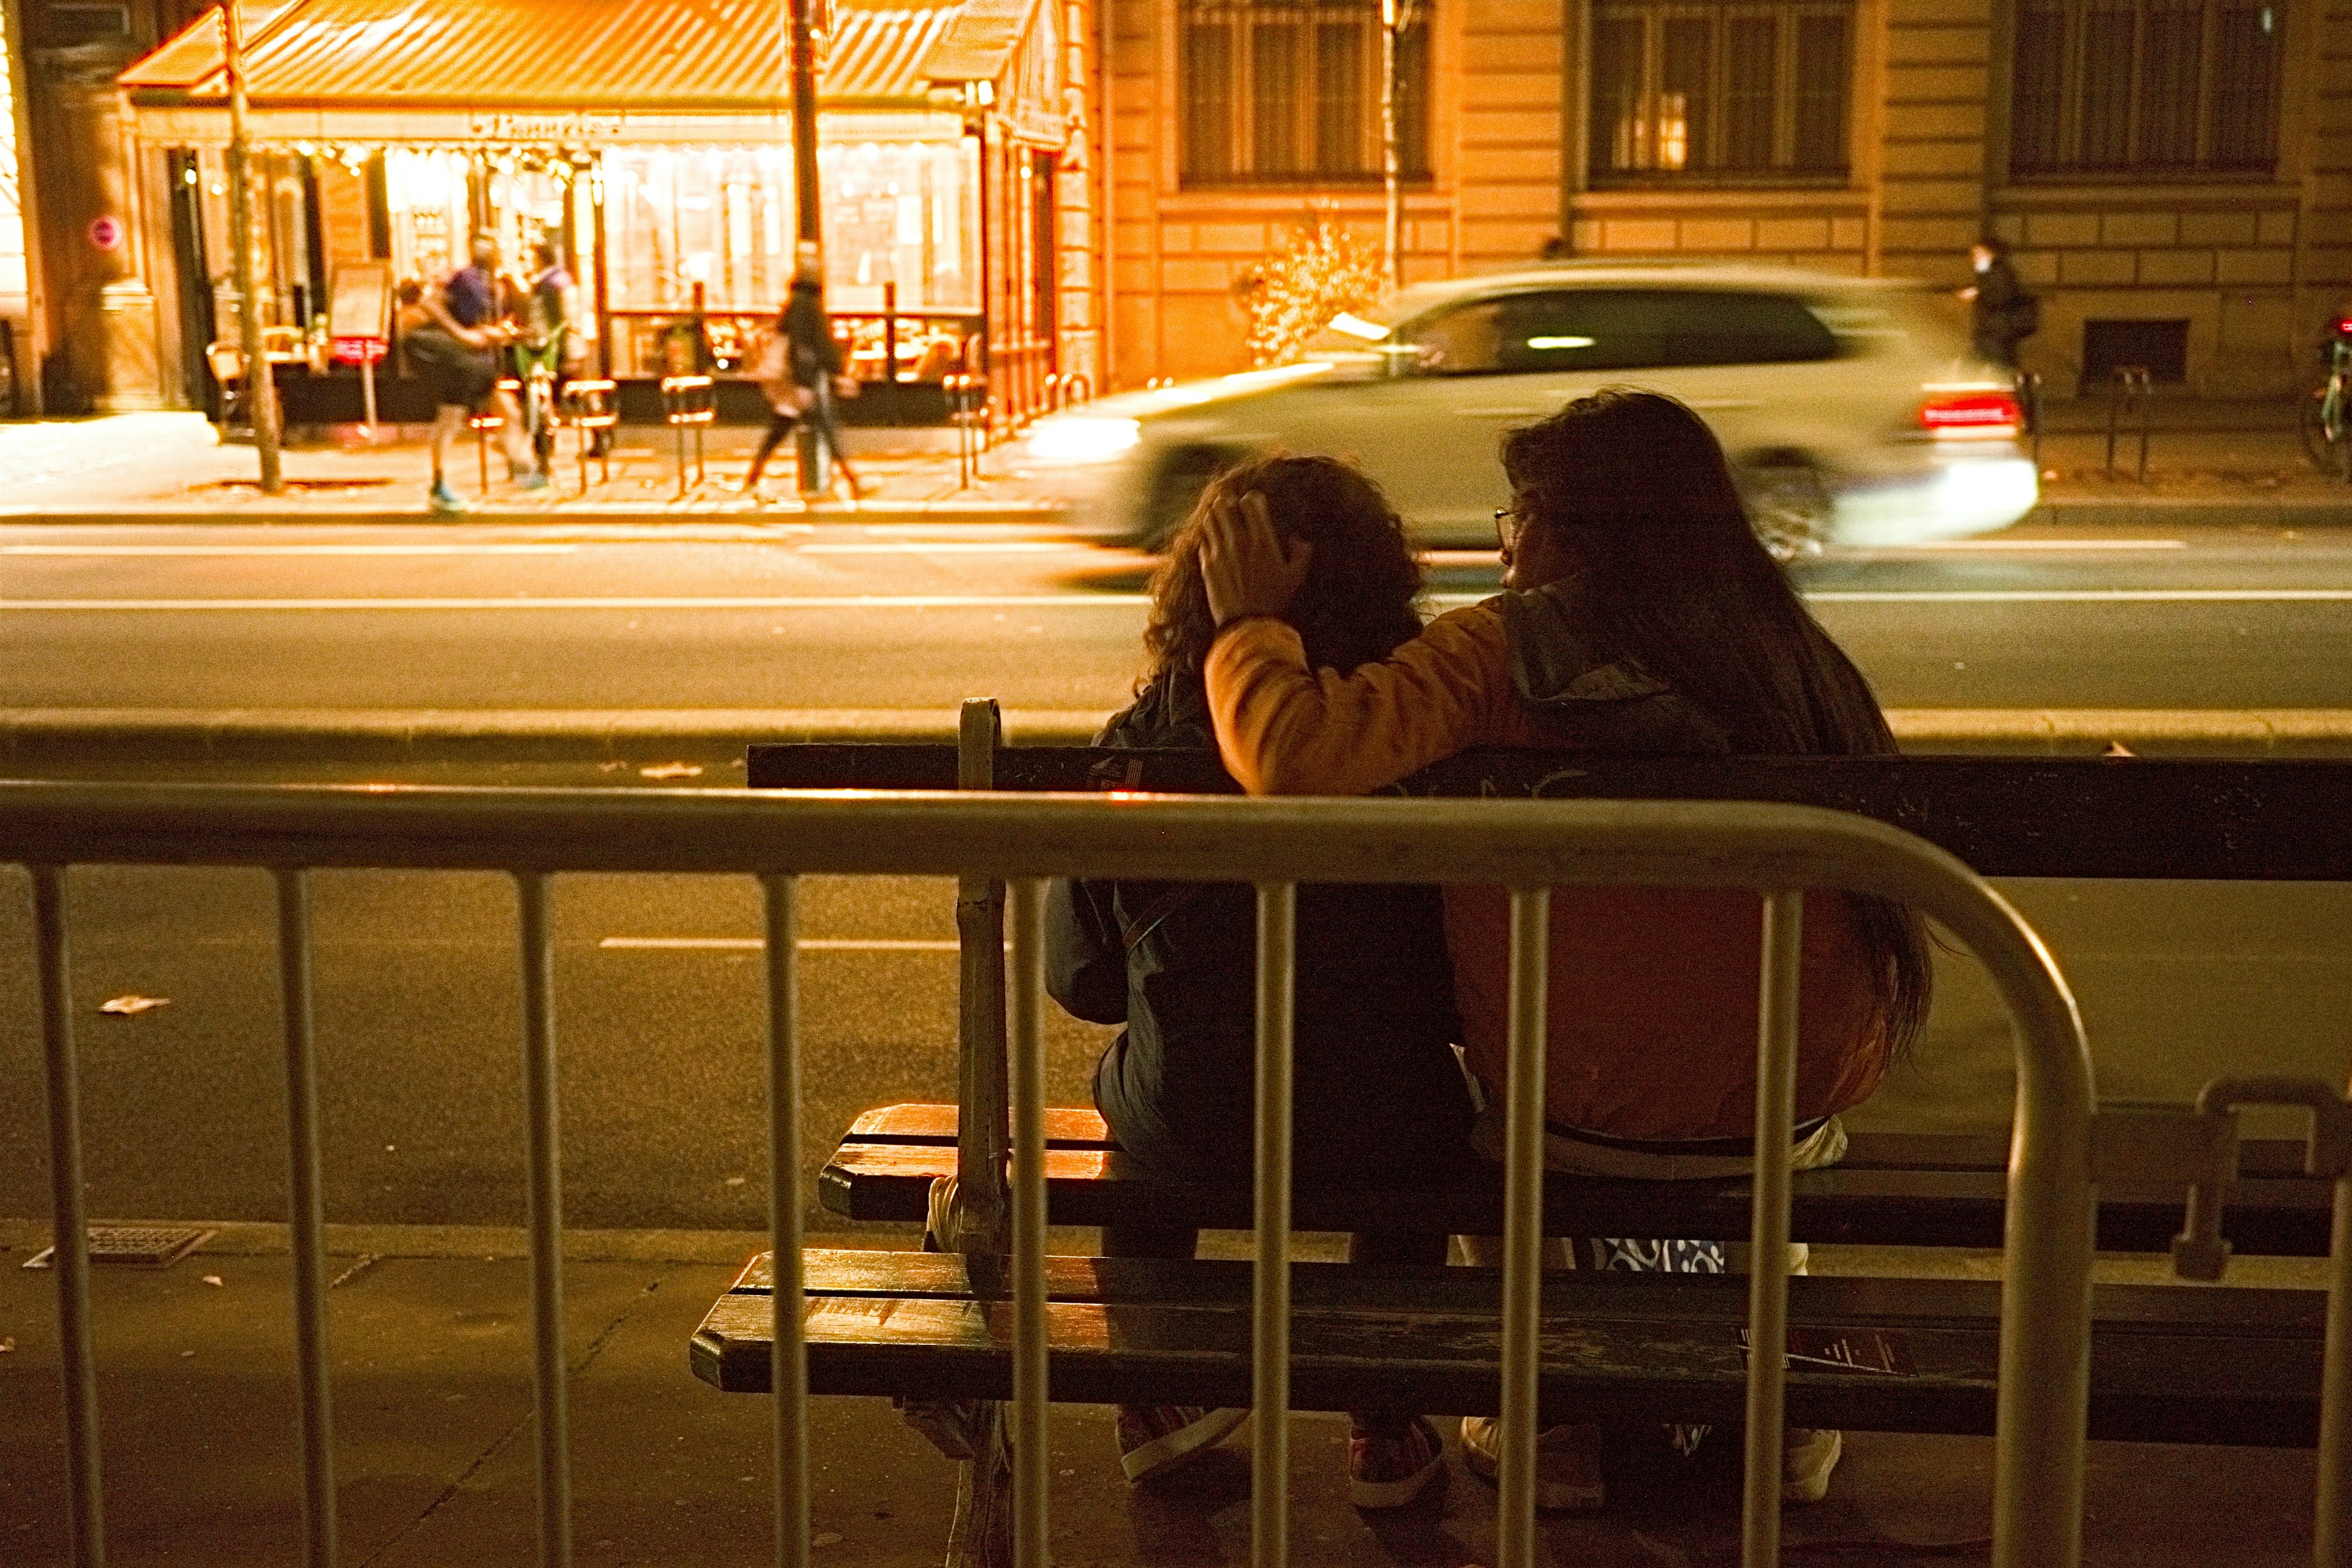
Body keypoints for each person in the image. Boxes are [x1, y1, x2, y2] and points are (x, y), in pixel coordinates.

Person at [1195, 390, 1931, 1512]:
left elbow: (1295, 755)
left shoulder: (1504, 650)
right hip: (1789, 1102)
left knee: (1489, 1130)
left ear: (1569, 528)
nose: (1509, 549)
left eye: (1519, 518)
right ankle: (1784, 1420)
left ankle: (1560, 1426)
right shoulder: (1785, 649)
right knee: (1749, 1154)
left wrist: (1247, 622)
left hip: (1580, 1110)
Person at [1046, 454, 1477, 1507]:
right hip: (1385, 1118)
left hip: (1204, 1114)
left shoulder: (1149, 742)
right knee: (1425, 1105)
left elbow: (1085, 978)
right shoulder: (1418, 729)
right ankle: (1382, 1417)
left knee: (1134, 1085)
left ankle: (1152, 1391)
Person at [402, 233, 545, 513]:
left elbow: (482, 323)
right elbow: (431, 305)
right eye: (496, 251)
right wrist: (463, 335)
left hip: (476, 364)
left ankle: (523, 467)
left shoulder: (491, 283)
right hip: (458, 362)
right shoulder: (467, 279)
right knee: (451, 419)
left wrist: (496, 332)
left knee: (509, 412)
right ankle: (439, 484)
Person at [740, 250, 865, 502]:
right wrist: (816, 379)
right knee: (825, 430)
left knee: (781, 429)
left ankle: (753, 477)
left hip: (794, 383)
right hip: (802, 383)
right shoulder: (808, 306)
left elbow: (797, 343)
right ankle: (853, 482)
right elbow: (811, 346)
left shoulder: (794, 304)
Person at [1960, 236, 2037, 370]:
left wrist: (1978, 294)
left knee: (1997, 369)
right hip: (1992, 332)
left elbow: (2002, 297)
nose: (1975, 258)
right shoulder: (1992, 273)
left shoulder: (1999, 272)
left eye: (1979, 254)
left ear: (1991, 254)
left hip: (1997, 332)